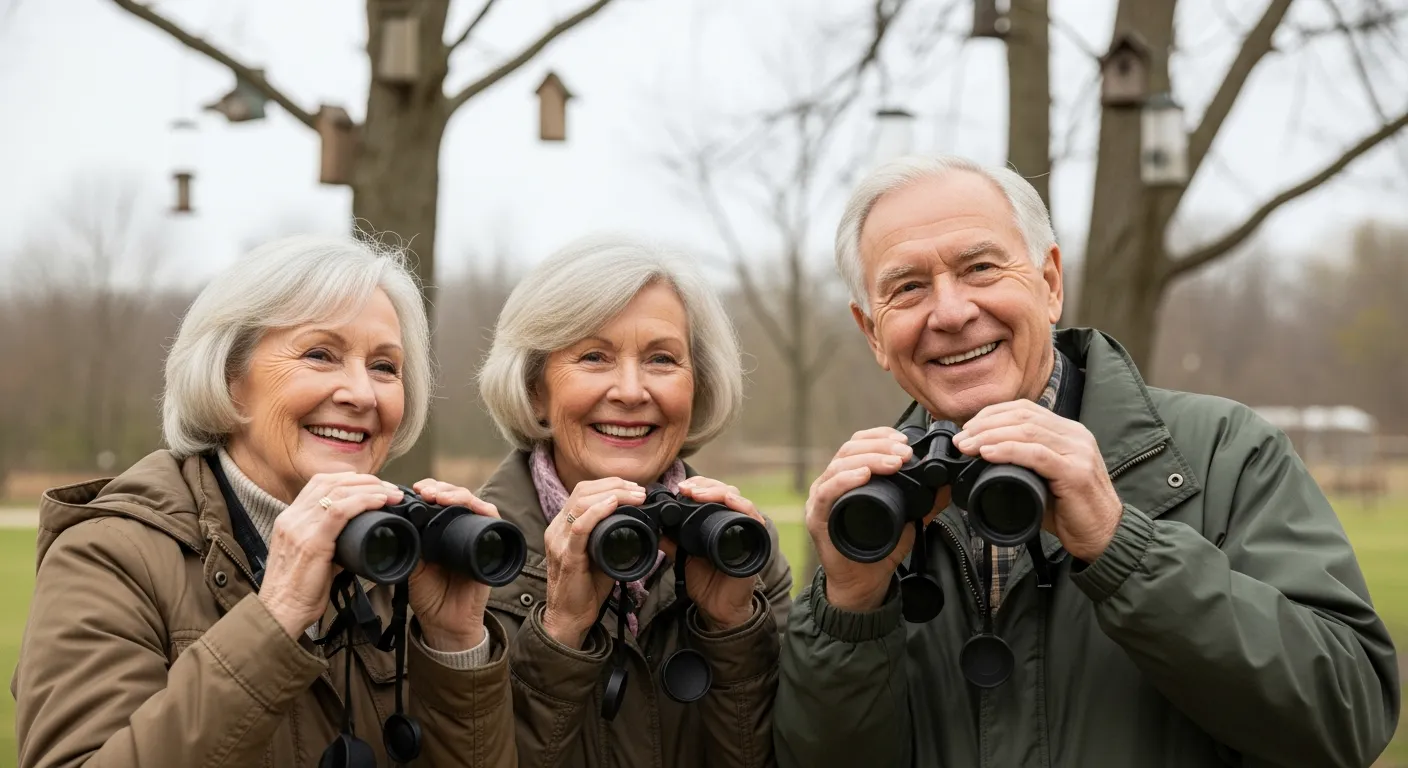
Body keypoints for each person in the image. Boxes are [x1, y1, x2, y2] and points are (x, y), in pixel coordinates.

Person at [773, 155, 1400, 767]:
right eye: (907, 288)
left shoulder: (1223, 450)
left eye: (981, 268)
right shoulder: (868, 505)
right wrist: (850, 609)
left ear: (1049, 283)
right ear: (873, 332)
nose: (952, 311)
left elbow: (1345, 718)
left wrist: (1123, 546)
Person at [12, 235, 517, 768]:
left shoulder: (400, 562)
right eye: (320, 355)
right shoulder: (109, 556)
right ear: (229, 379)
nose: (362, 394)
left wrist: (455, 646)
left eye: (385, 367)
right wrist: (274, 618)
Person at [472, 234, 793, 768]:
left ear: (699, 387)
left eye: (662, 359)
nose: (630, 390)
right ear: (536, 391)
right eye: (594, 356)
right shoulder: (470, 557)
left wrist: (733, 631)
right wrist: (560, 634)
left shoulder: (744, 549)